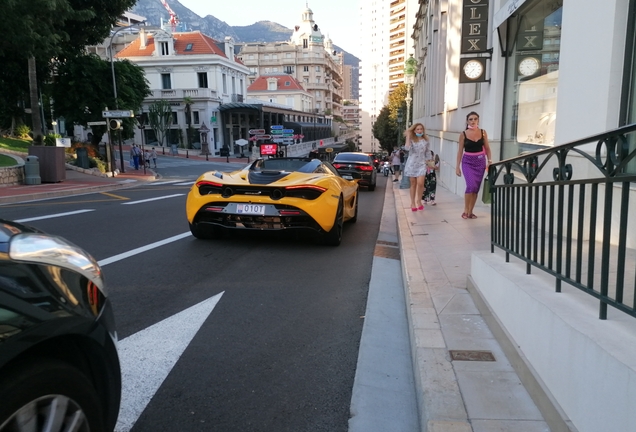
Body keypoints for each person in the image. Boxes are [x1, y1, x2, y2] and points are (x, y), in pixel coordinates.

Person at [456, 111, 492, 219]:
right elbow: (460, 151)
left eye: (475, 119)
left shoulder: (483, 132)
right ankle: (465, 210)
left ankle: (471, 211)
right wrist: (457, 166)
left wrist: (489, 161)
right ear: (467, 121)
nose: (473, 121)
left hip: (480, 161)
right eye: (470, 119)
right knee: (470, 185)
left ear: (478, 120)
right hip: (467, 162)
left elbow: (487, 148)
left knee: (476, 188)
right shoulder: (463, 134)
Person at [403, 123, 433, 211]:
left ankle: (419, 200)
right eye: (418, 129)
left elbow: (427, 152)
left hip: (422, 164)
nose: (420, 131)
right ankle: (412, 202)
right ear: (414, 130)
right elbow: (407, 148)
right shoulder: (412, 139)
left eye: (421, 129)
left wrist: (430, 162)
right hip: (412, 164)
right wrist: (408, 137)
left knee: (420, 183)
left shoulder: (426, 140)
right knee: (413, 184)